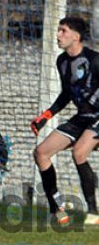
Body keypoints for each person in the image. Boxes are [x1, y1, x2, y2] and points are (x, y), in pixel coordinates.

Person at [32, 16, 99, 226]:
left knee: (79, 152)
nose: (58, 35)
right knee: (41, 153)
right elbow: (66, 94)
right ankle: (57, 209)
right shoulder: (62, 61)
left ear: (76, 37)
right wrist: (46, 116)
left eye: (63, 31)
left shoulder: (94, 60)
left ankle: (94, 212)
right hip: (82, 118)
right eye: (58, 30)